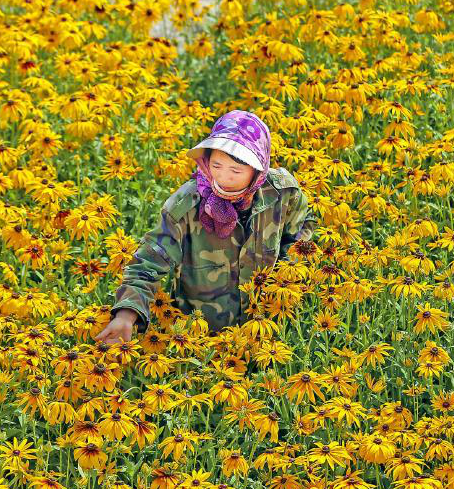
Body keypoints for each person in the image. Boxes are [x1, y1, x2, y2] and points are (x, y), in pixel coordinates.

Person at [95, 109, 317, 345]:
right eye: (217, 165)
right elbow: (150, 261)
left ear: (258, 171)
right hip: (197, 339)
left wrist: (286, 285)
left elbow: (301, 239)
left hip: (269, 335)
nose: (223, 177)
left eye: (236, 171)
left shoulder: (284, 194)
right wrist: (126, 314)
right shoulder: (187, 204)